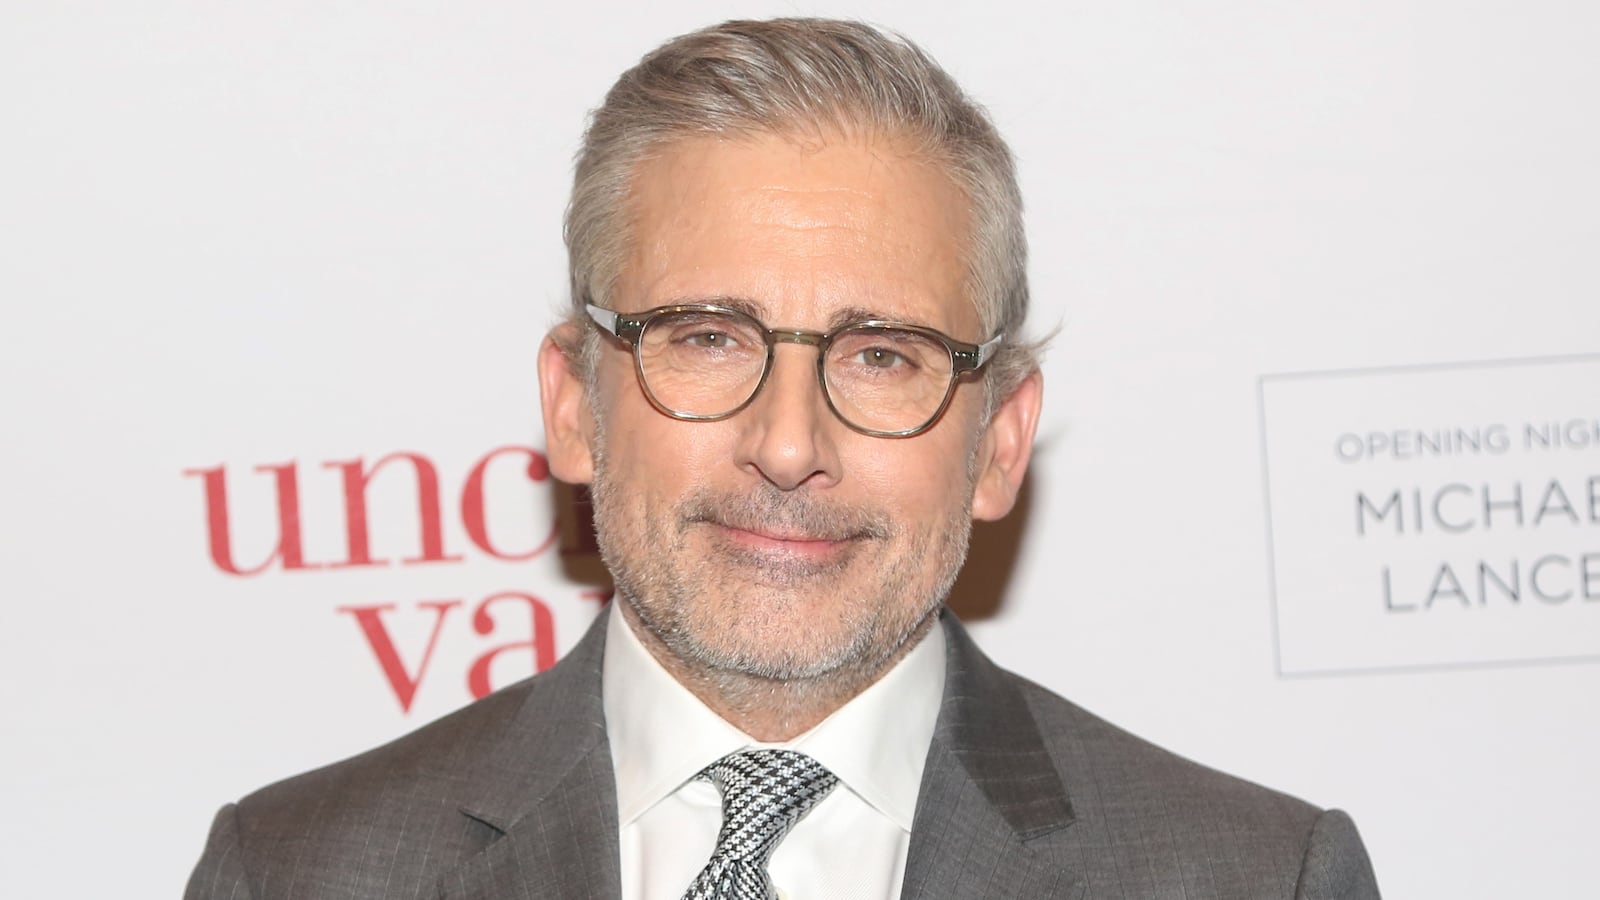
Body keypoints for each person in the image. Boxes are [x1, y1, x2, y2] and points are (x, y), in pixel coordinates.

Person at [185, 17, 1381, 900]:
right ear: (573, 404)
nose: (789, 445)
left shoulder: (1256, 879)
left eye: (882, 355)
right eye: (706, 338)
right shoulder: (294, 873)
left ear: (997, 443)